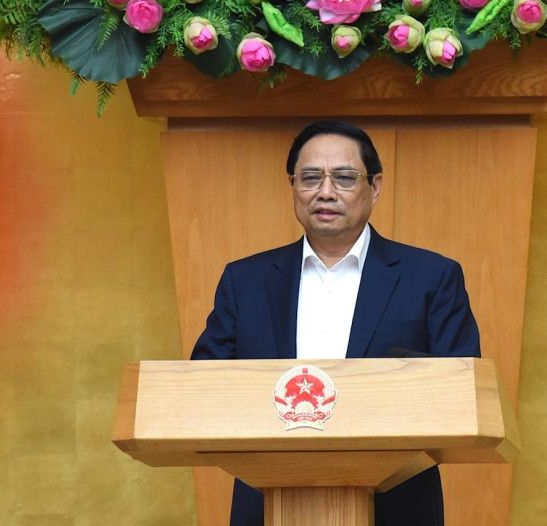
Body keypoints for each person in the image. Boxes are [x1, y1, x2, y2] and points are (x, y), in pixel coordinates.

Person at [191, 120, 480, 526]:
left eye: (344, 178)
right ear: (293, 185)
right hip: (267, 501)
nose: (326, 192)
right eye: (311, 178)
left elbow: (461, 389)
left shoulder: (430, 277)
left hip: (397, 505)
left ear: (374, 186)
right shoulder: (246, 280)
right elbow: (203, 387)